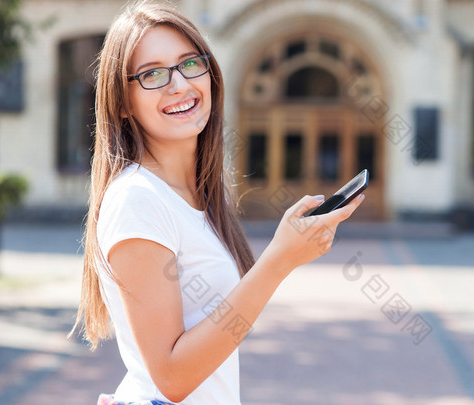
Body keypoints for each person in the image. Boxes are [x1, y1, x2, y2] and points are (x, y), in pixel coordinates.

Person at [70, 2, 364, 404]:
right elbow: (171, 377)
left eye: (190, 63)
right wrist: (279, 260)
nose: (178, 84)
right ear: (122, 102)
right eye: (153, 74)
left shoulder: (192, 196)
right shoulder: (137, 201)